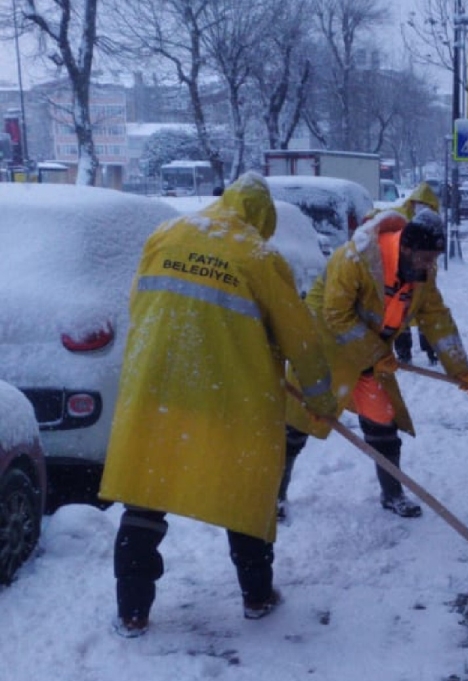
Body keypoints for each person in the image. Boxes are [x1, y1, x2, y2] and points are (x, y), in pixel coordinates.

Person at [98, 172, 338, 638]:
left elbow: (138, 301)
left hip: (157, 389)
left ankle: (132, 611)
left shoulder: (167, 234)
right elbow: (302, 339)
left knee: (146, 495)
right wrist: (320, 398)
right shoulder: (258, 256)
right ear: (262, 217)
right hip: (230, 396)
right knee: (244, 493)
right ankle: (257, 596)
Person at [283, 208, 468, 519]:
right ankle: (274, 498)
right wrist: (377, 354)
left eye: (434, 259)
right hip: (324, 351)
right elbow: (337, 315)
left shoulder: (422, 272)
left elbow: (436, 318)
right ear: (406, 248)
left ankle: (392, 494)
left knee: (383, 423)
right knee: (296, 425)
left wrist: (460, 369)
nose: (430, 265)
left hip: (368, 355)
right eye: (425, 258)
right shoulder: (355, 260)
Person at [389, 182, 442, 365]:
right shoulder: (400, 217)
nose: (421, 207)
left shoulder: (432, 223)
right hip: (401, 276)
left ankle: (431, 352)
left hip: (421, 277)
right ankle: (404, 353)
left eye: (426, 204)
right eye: (418, 203)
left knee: (424, 314)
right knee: (400, 315)